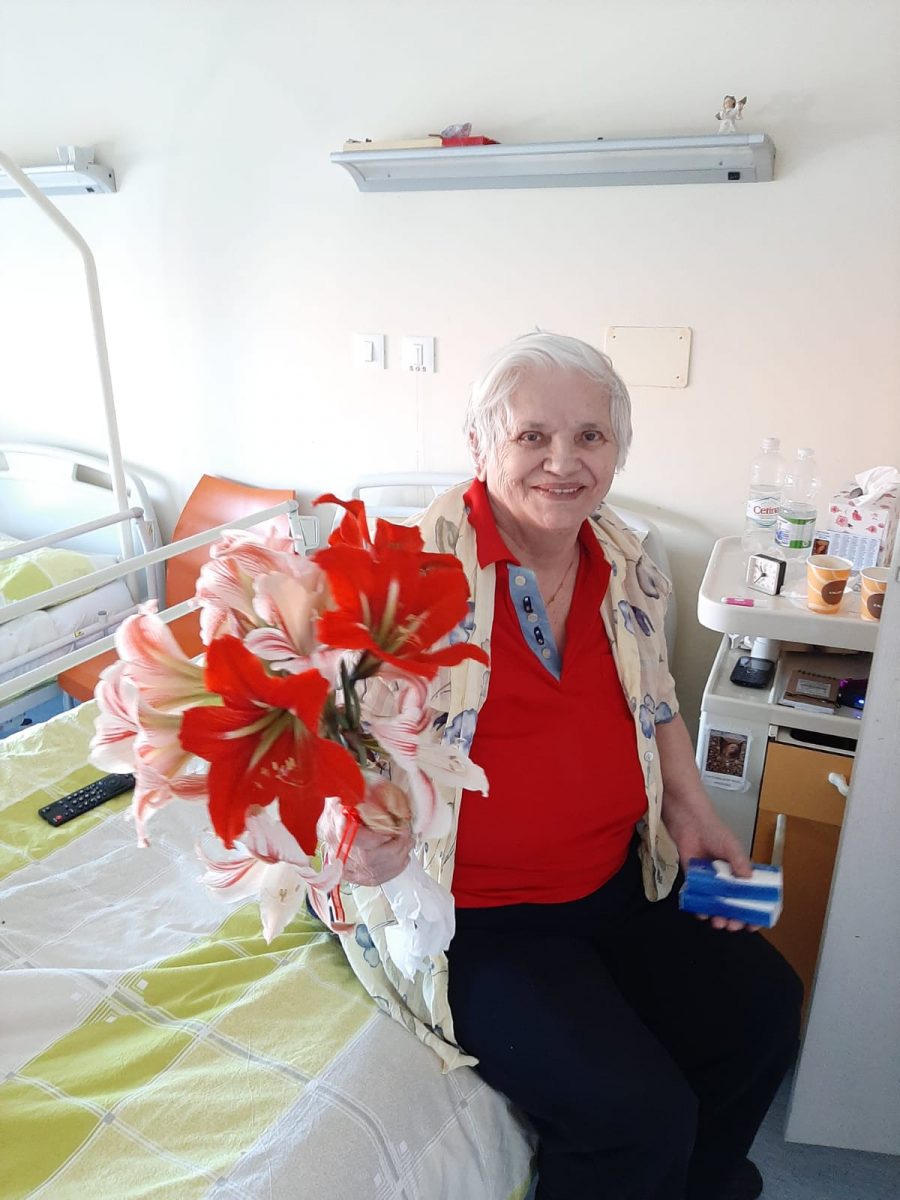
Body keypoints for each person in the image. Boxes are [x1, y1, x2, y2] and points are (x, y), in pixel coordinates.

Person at [326, 333, 802, 1200]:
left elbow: (656, 704)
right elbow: (338, 746)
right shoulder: (408, 573)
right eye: (532, 436)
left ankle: (701, 1186)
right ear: (480, 445)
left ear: (617, 449)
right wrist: (360, 835)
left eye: (590, 436)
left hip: (624, 875)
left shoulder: (626, 559)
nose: (563, 462)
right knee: (633, 1115)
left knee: (765, 1007)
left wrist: (693, 814)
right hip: (481, 917)